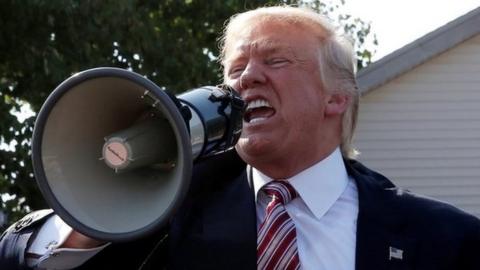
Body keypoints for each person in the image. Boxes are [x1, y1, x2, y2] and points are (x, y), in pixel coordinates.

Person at [2, 5, 480, 270]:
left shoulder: (445, 240)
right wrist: (97, 211)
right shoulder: (168, 215)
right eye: (235, 69)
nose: (245, 79)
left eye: (275, 62)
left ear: (337, 97)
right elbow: (21, 262)